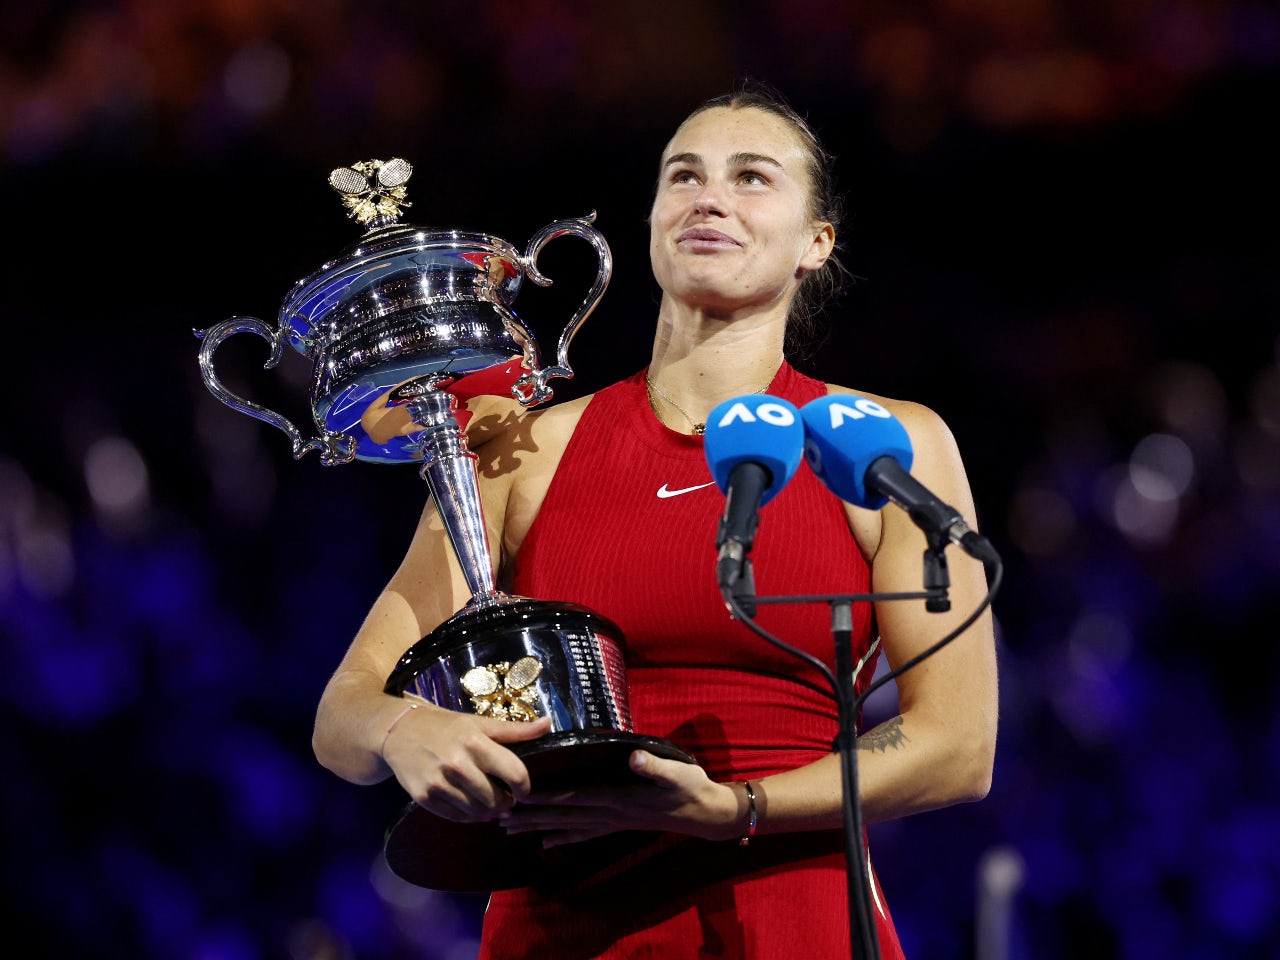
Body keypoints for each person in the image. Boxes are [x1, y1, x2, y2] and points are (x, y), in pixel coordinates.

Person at [312, 82, 998, 959]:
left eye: (753, 177)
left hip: (793, 915)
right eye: (684, 176)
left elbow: (957, 747)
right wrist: (408, 727)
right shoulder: (527, 451)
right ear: (650, 221)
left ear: (815, 243)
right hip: (565, 922)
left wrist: (737, 810)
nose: (709, 196)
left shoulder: (880, 444)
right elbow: (344, 716)